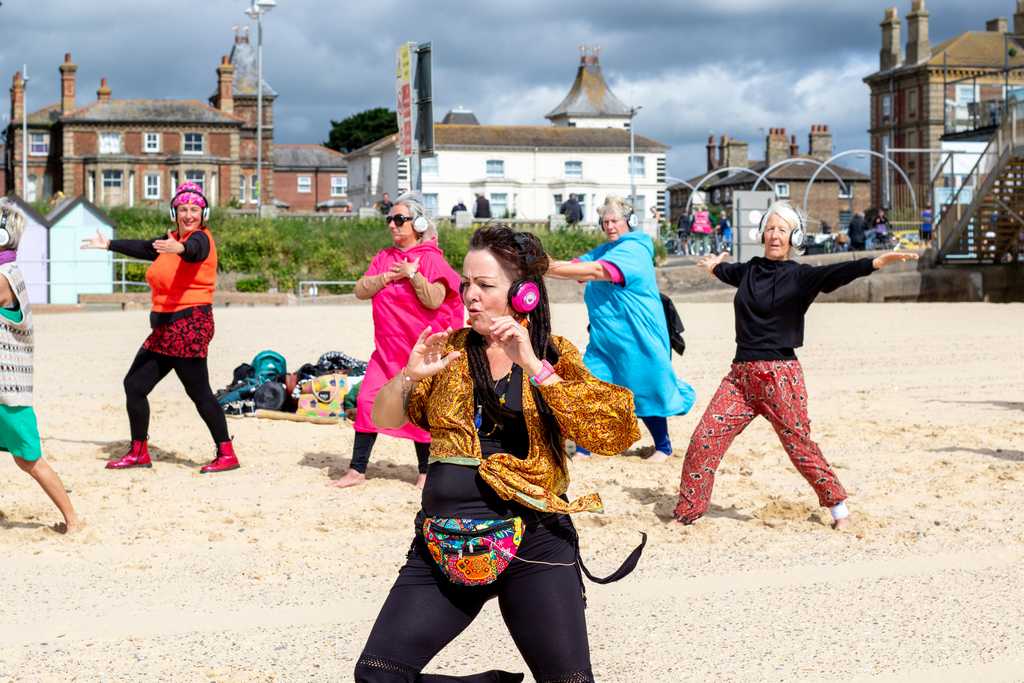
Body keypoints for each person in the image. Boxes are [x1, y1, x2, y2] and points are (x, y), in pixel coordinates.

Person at [354, 225, 641, 682]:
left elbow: (614, 430)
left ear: (523, 293)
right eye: (467, 283)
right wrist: (408, 377)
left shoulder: (552, 354)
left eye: (485, 286)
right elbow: (386, 418)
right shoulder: (446, 351)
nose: (470, 295)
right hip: (443, 544)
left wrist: (534, 366)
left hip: (534, 543)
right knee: (377, 674)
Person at [673, 200, 919, 530]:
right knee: (705, 439)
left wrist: (874, 262)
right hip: (740, 377)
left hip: (780, 376)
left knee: (799, 445)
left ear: (795, 237)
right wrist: (714, 265)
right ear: (762, 233)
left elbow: (837, 273)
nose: (775, 235)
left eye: (783, 230)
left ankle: (838, 507)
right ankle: (688, 511)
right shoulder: (748, 270)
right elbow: (725, 271)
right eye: (771, 228)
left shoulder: (801, 276)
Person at [81, 182, 240, 473]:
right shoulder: (167, 242)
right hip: (166, 330)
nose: (189, 214)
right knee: (135, 385)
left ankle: (226, 453)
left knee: (200, 392)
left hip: (189, 325)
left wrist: (180, 247)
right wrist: (109, 245)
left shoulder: (202, 239)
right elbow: (144, 247)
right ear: (174, 212)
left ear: (204, 214)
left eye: (194, 209)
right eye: (183, 209)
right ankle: (139, 451)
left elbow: (193, 250)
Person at [546, 196, 696, 463]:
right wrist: (538, 264)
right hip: (605, 340)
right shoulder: (607, 249)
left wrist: (546, 266)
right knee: (587, 387)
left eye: (614, 220)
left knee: (646, 390)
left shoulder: (635, 249)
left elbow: (594, 272)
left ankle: (663, 446)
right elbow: (575, 269)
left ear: (629, 221)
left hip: (638, 338)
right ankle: (583, 448)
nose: (610, 226)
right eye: (605, 222)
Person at [333, 192, 464, 489]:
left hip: (419, 353)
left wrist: (413, 274)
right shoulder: (383, 258)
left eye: (399, 219)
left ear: (417, 223)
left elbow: (434, 300)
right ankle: (357, 470)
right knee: (367, 401)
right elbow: (360, 289)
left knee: (419, 410)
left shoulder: (431, 260)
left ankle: (425, 472)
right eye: (389, 219)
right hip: (386, 351)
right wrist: (387, 278)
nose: (392, 225)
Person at [0, 202, 82, 533]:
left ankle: (73, 520)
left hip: (7, 391)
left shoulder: (5, 276)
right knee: (27, 458)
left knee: (29, 459)